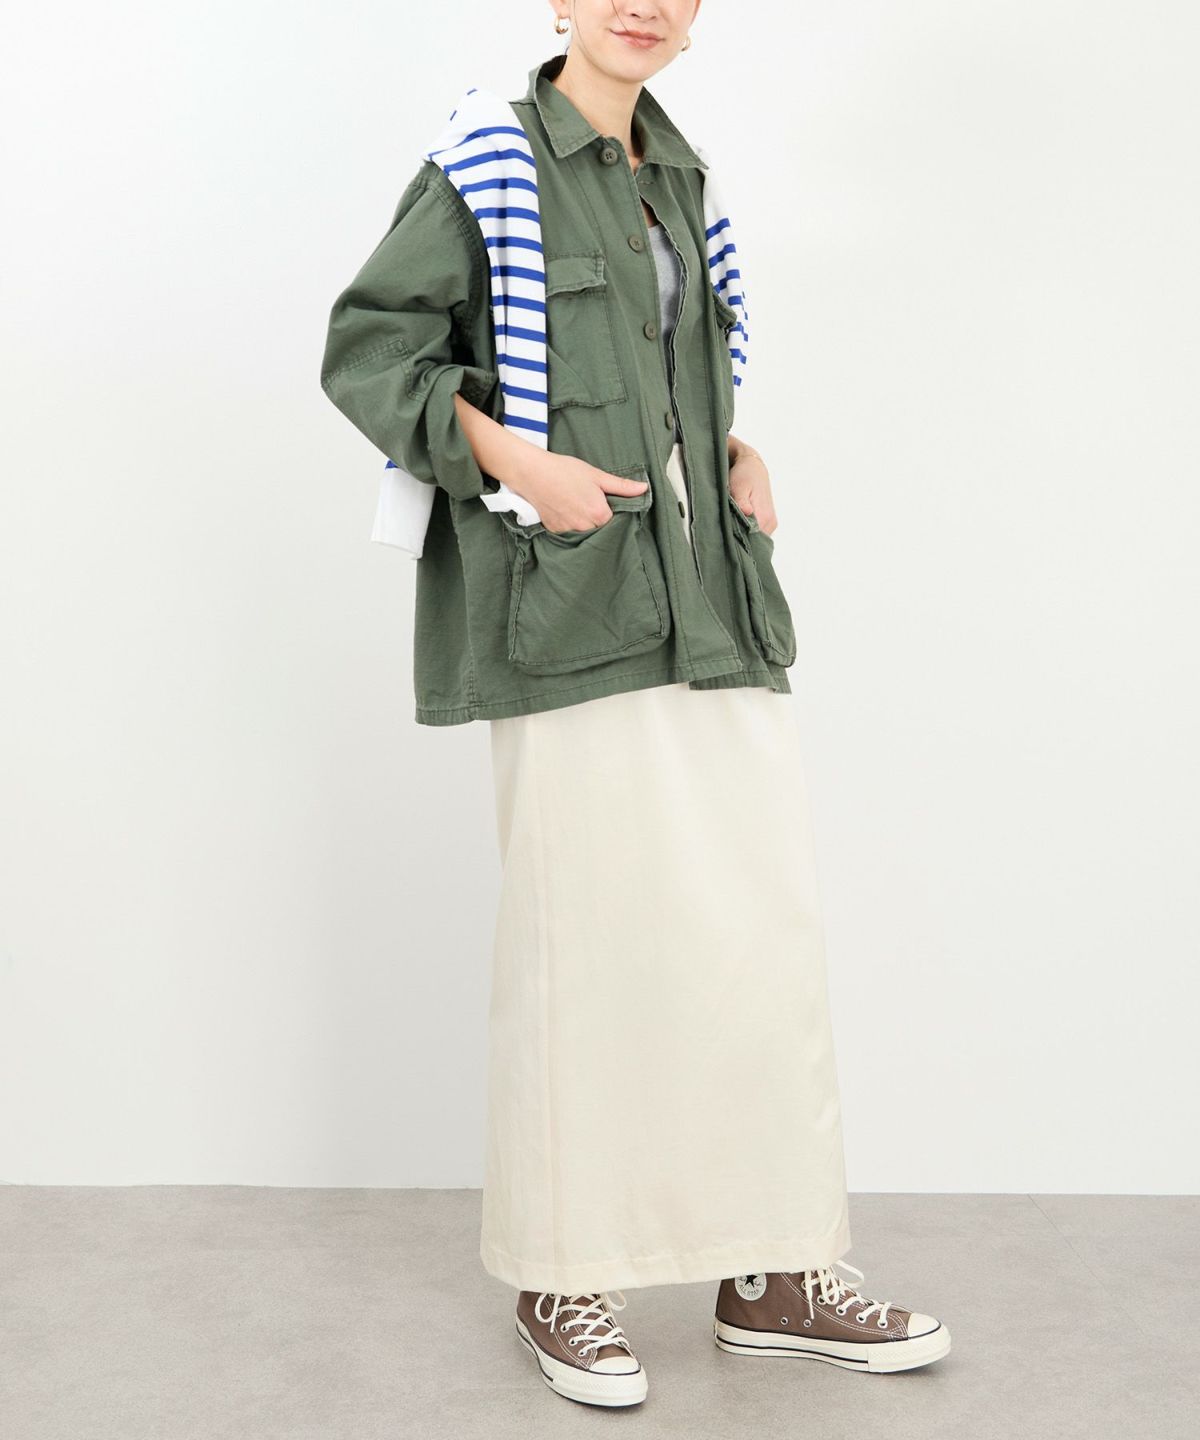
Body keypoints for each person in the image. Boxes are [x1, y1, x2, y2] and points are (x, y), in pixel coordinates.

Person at [320, 0, 951, 1409]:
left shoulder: (679, 175)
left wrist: (730, 447)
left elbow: (660, 374)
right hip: (571, 606)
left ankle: (776, 1266)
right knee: (585, 947)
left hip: (711, 601)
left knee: (755, 941)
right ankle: (565, 1274)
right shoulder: (487, 164)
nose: (644, 4)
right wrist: (516, 463)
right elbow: (369, 351)